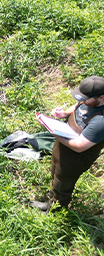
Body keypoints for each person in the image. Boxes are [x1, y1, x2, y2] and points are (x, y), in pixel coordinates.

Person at [30, 76, 104, 212]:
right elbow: (77, 106)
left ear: (102, 97)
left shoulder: (101, 121)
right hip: (62, 147)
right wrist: (63, 113)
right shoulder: (88, 101)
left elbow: (80, 146)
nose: (82, 101)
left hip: (74, 159)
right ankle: (52, 199)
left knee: (63, 185)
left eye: (86, 99)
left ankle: (55, 211)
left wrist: (52, 131)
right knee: (55, 174)